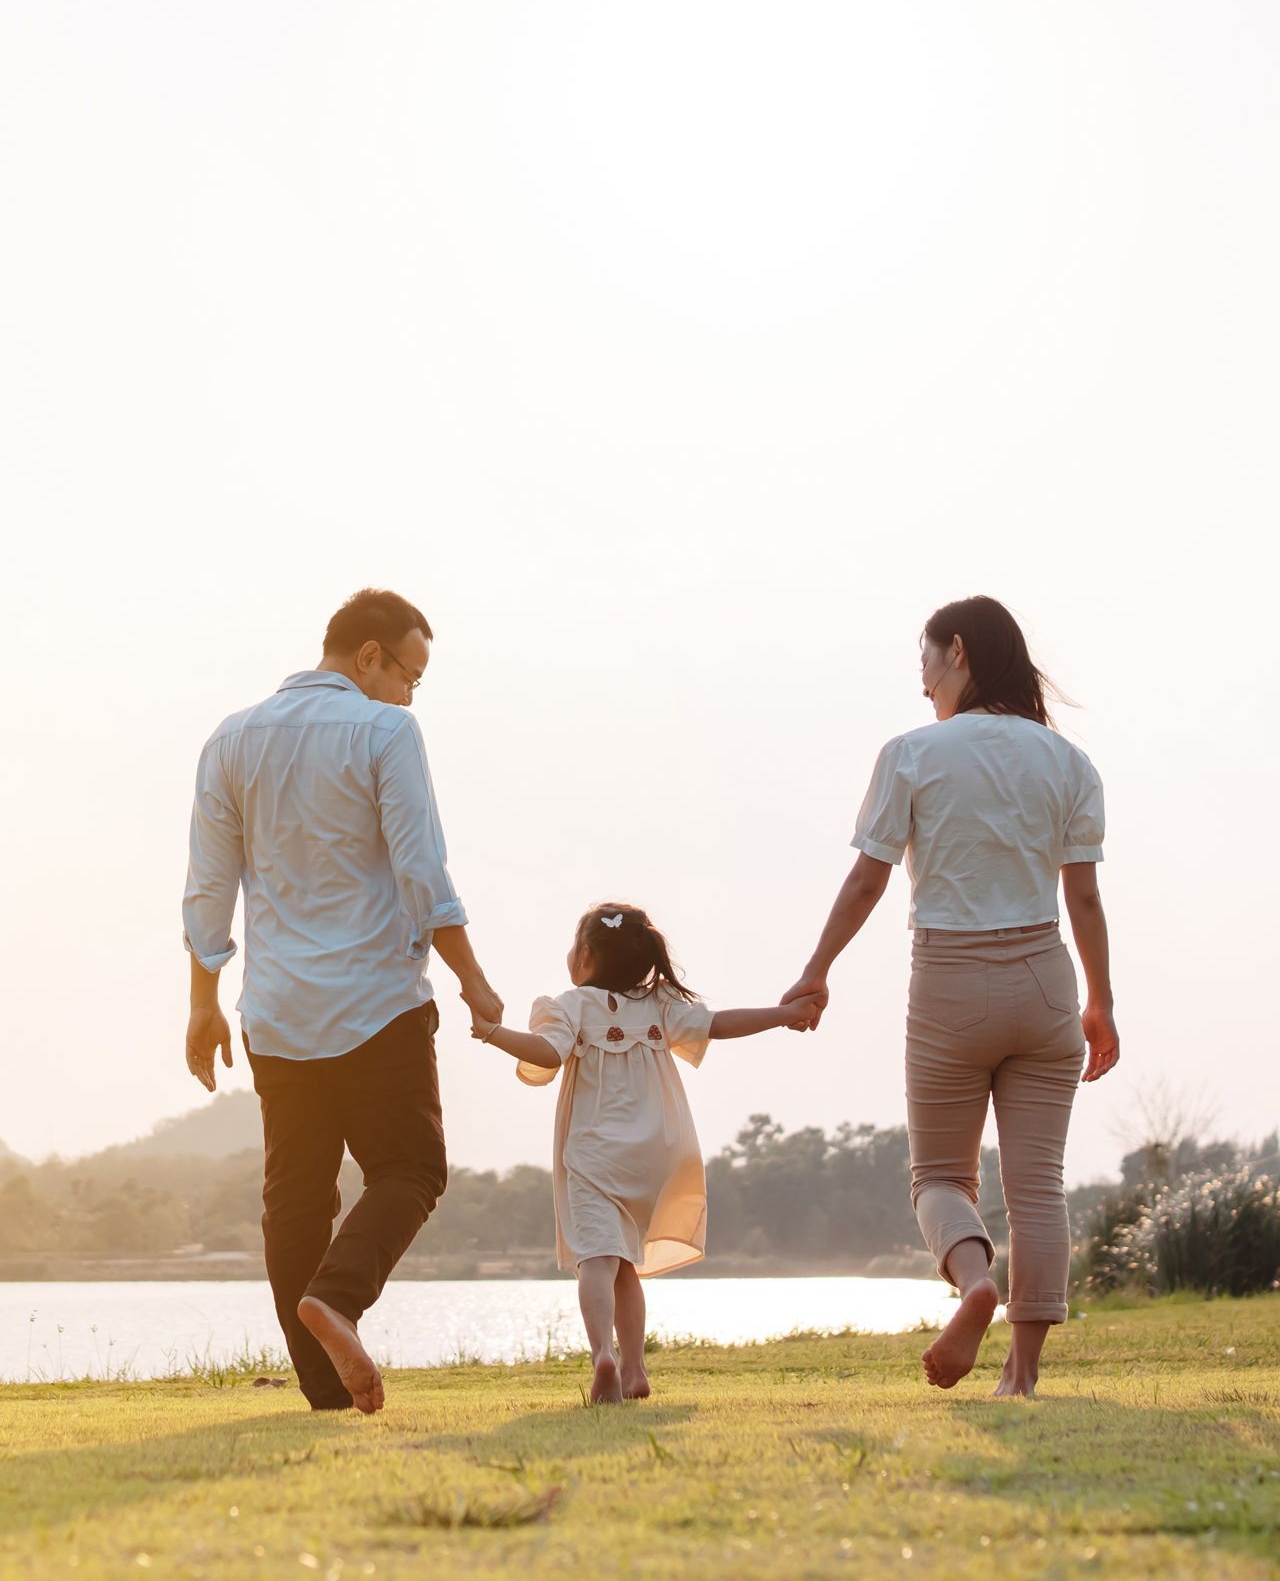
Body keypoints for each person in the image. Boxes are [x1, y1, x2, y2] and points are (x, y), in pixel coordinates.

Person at [782, 595, 1119, 1397]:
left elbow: (869, 878)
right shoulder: (1069, 762)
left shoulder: (911, 753)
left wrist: (816, 966)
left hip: (949, 981)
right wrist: (1101, 1000)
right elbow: (1086, 902)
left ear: (958, 652)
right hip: (1045, 974)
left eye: (926, 660)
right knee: (1039, 1185)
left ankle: (974, 1281)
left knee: (939, 1177)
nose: (922, 679)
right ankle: (1022, 1374)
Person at [182, 587, 503, 1415]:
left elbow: (210, 890)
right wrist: (471, 978)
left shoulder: (230, 739)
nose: (409, 692)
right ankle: (340, 1298)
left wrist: (203, 1002)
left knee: (295, 1198)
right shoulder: (385, 729)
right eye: (410, 673)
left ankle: (324, 1392)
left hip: (278, 1013)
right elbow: (421, 871)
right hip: (378, 1004)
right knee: (411, 1168)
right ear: (369, 656)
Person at [470, 904, 821, 1403]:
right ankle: (635, 1368)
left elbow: (546, 1053)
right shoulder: (659, 1004)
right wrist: (785, 1014)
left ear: (585, 955)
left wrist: (491, 1032)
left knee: (595, 1259)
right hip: (658, 1150)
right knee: (625, 1263)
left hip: (594, 1153)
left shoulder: (571, 1005)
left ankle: (603, 1357)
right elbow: (720, 1023)